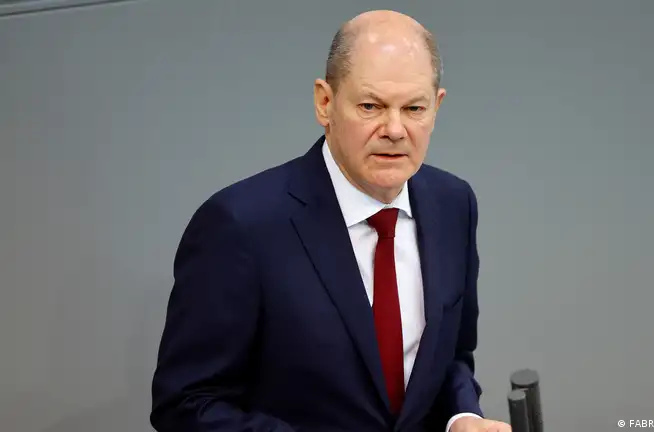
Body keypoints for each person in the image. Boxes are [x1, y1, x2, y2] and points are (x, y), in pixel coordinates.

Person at [150, 9, 511, 432]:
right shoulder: (239, 225)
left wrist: (461, 416)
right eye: (371, 106)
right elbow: (186, 403)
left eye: (414, 108)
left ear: (437, 106)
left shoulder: (453, 204)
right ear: (325, 102)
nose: (395, 130)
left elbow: (451, 356)